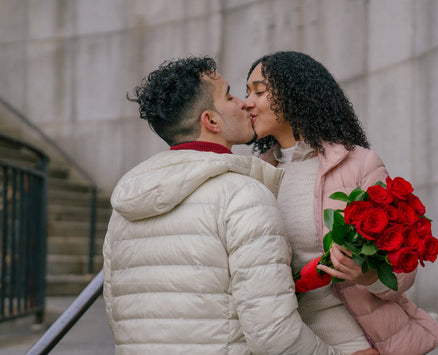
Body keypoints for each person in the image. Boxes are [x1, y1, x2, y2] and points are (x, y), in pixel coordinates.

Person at [102, 56, 374, 354]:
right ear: (211, 121)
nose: (244, 103)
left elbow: (115, 310)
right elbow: (273, 334)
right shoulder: (244, 195)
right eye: (231, 95)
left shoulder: (126, 201)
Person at [244, 51, 438, 355]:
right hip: (284, 342)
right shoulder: (256, 177)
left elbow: (403, 270)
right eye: (247, 92)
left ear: (294, 94)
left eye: (258, 91)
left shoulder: (359, 164)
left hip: (356, 340)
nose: (247, 102)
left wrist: (369, 276)